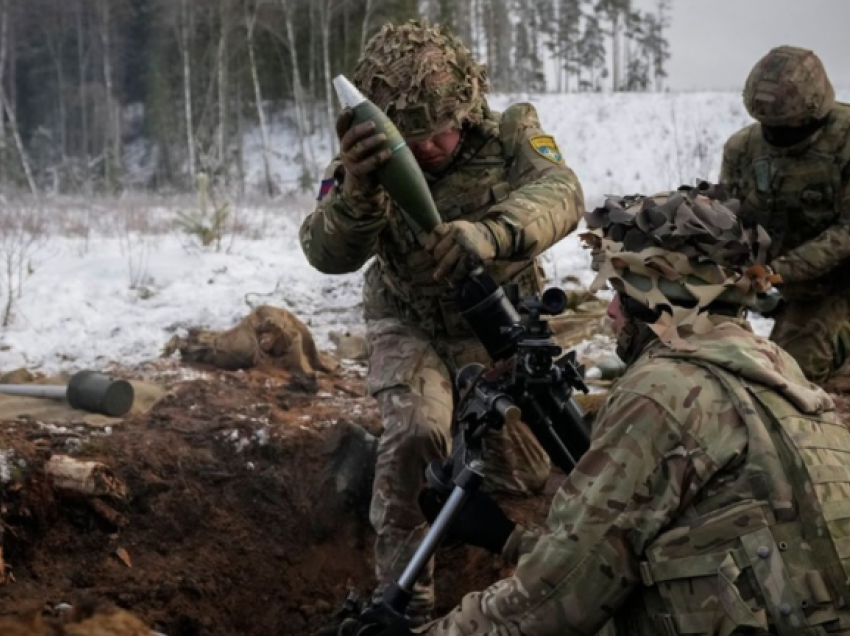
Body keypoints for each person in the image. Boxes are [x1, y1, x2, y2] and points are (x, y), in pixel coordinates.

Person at [354, 186, 850, 636]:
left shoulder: (663, 393)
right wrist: (509, 540)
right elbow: (624, 558)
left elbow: (553, 607)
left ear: (662, 304)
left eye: (620, 294)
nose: (610, 313)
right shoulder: (783, 375)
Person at [299, 19, 585, 623]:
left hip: (498, 326)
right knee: (416, 435)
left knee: (533, 473)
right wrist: (358, 192)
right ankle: (410, 609)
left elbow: (561, 193)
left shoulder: (511, 133)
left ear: (466, 105)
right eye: (414, 137)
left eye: (440, 132)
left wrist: (490, 234)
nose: (428, 148)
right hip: (410, 323)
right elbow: (326, 253)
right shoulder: (364, 163)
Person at [720, 45, 850, 383]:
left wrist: (777, 273)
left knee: (791, 371)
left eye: (787, 129)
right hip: (789, 286)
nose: (776, 138)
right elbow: (728, 218)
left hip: (839, 285)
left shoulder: (846, 142)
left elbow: (845, 233)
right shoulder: (743, 150)